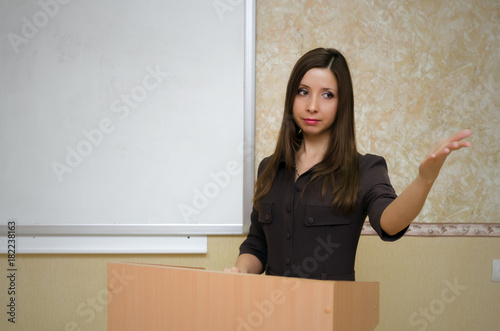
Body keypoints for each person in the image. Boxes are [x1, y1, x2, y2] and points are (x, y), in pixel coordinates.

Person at [224, 48, 472, 281]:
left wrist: (425, 179)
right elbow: (257, 245)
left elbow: (390, 222)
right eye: (303, 92)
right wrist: (240, 271)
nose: (312, 106)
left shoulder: (365, 169)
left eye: (327, 95)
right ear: (291, 97)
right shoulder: (269, 168)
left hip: (331, 317)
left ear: (343, 103)